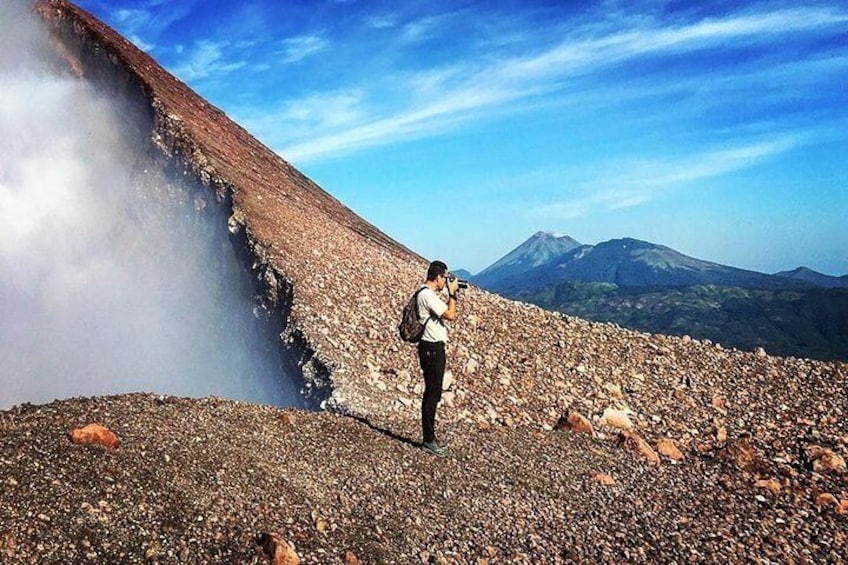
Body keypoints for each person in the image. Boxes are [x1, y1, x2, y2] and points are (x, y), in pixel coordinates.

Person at [416, 260, 460, 456]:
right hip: (432, 348)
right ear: (438, 277)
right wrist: (452, 294)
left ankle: (430, 438)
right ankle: (429, 440)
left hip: (431, 348)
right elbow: (450, 315)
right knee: (432, 395)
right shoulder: (427, 295)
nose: (446, 281)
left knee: (432, 393)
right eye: (445, 277)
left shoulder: (425, 294)